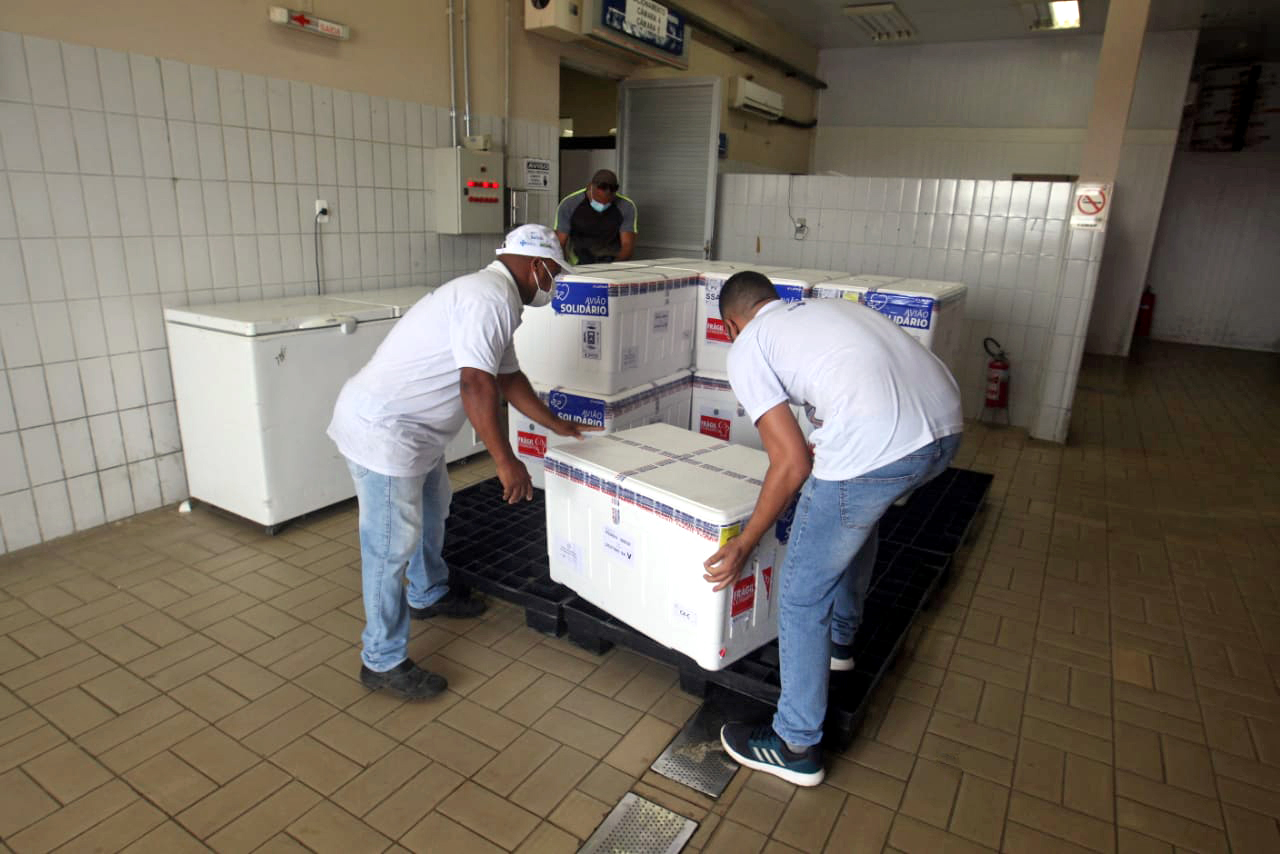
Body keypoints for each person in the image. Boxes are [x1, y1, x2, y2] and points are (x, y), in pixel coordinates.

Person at [704, 271, 964, 786]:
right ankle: (840, 645)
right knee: (855, 515)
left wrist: (747, 540)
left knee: (802, 591)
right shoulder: (827, 310)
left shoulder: (748, 346)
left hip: (884, 446)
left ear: (731, 325)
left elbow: (791, 462)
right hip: (946, 433)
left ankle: (795, 744)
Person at [327, 225, 593, 700]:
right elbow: (475, 383)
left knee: (435, 508)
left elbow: (507, 378)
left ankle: (428, 592)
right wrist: (505, 460)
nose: (555, 283)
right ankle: (381, 659)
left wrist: (554, 423)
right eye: (555, 273)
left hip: (415, 433)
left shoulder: (495, 298)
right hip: (385, 430)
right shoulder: (488, 298)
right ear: (537, 266)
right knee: (389, 545)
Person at [554, 169, 637, 265]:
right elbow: (559, 243)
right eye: (598, 200)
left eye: (607, 202)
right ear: (590, 187)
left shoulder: (626, 206)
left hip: (612, 261)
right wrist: (565, 267)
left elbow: (627, 245)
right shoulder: (569, 204)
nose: (602, 205)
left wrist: (612, 267)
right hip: (578, 262)